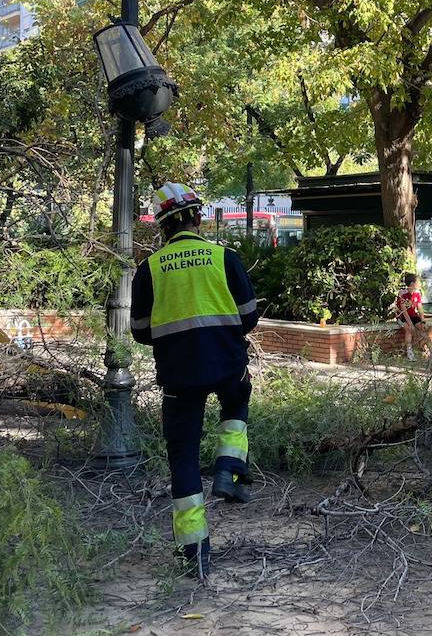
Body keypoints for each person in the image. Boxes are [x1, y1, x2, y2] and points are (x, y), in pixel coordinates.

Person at [130, 183, 261, 579]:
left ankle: (194, 552)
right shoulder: (225, 257)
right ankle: (229, 468)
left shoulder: (149, 269)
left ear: (163, 228)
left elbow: (139, 330)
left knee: (182, 457)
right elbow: (249, 316)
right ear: (198, 219)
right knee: (236, 400)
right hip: (226, 363)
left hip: (178, 374)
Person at [395, 272, 428, 359]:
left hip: (413, 315)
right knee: (409, 329)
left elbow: (420, 308)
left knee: (424, 328)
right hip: (402, 317)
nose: (420, 283)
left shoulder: (417, 293)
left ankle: (431, 351)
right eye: (418, 281)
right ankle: (409, 351)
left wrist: (423, 321)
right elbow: (404, 311)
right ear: (413, 284)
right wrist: (410, 324)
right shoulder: (402, 293)